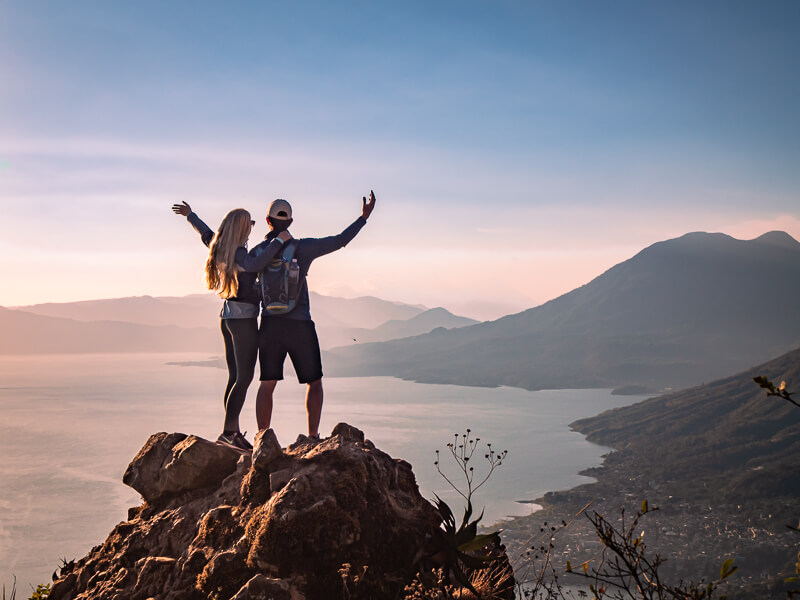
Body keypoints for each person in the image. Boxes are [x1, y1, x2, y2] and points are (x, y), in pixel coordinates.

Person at [253, 191, 376, 438]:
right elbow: (340, 240)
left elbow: (241, 275)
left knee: (267, 384)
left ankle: (262, 439)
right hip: (300, 324)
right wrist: (363, 218)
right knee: (314, 382)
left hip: (269, 325)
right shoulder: (303, 248)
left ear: (268, 221)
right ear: (290, 221)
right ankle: (312, 436)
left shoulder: (258, 251)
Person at [172, 202, 291, 451]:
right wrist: (278, 241)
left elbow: (204, 232)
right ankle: (229, 433)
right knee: (245, 376)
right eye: (250, 224)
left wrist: (190, 215)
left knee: (235, 376)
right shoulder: (239, 254)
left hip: (226, 317)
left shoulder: (219, 246)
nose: (252, 228)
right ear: (240, 228)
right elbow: (255, 265)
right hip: (242, 319)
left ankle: (231, 431)